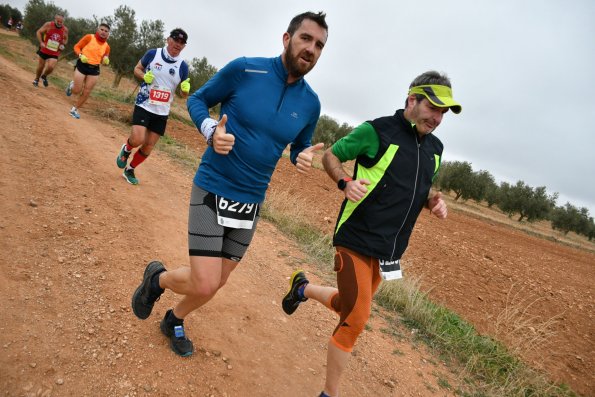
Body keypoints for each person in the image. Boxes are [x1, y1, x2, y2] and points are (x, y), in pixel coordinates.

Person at [130, 11, 329, 357]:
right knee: (204, 281)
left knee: (216, 283)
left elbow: (299, 145)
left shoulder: (311, 103)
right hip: (213, 185)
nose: (311, 49)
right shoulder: (245, 69)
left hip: (251, 203)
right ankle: (157, 278)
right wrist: (210, 131)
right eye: (306, 39)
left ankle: (174, 318)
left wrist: (301, 156)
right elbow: (196, 99)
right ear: (287, 39)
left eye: (319, 45)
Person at [281, 71, 462, 397]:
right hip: (354, 237)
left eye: (443, 112)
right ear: (412, 100)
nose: (437, 117)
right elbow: (331, 155)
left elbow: (418, 190)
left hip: (388, 251)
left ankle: (302, 288)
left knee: (348, 306)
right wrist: (345, 183)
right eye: (432, 107)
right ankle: (329, 393)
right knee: (356, 318)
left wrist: (433, 201)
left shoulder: (435, 148)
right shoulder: (376, 131)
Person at [116, 28, 191, 185]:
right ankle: (127, 149)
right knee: (137, 140)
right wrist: (144, 76)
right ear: (168, 39)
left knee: (149, 145)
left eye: (182, 43)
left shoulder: (183, 67)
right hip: (144, 103)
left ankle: (130, 169)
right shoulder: (153, 54)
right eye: (176, 40)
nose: (178, 44)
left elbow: (184, 94)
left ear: (184, 46)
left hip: (162, 111)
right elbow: (137, 69)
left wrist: (185, 91)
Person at [65, 23, 111, 119]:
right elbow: (77, 47)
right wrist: (81, 55)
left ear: (108, 34)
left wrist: (105, 60)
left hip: (94, 69)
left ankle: (74, 109)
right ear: (98, 30)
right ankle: (71, 86)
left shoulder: (107, 46)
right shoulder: (89, 37)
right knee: (77, 90)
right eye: (102, 29)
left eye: (106, 31)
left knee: (87, 91)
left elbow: (104, 59)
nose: (103, 32)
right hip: (82, 65)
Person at [33, 14, 68, 88]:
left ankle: (44, 76)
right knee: (41, 66)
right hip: (44, 49)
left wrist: (63, 45)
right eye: (58, 21)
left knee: (51, 67)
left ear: (63, 22)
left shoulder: (65, 29)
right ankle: (36, 79)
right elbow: (38, 32)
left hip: (54, 51)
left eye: (61, 22)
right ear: (55, 19)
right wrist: (41, 42)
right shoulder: (48, 25)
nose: (59, 23)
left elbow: (65, 39)